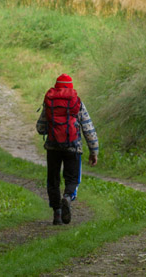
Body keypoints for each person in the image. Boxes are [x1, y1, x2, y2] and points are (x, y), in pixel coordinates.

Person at [36, 73, 99, 225]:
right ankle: (68, 197)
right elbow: (88, 129)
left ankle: (57, 213)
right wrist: (94, 151)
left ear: (56, 85)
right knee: (72, 178)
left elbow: (40, 127)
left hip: (53, 147)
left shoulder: (50, 101)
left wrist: (51, 129)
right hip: (73, 147)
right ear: (71, 86)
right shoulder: (76, 102)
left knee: (53, 180)